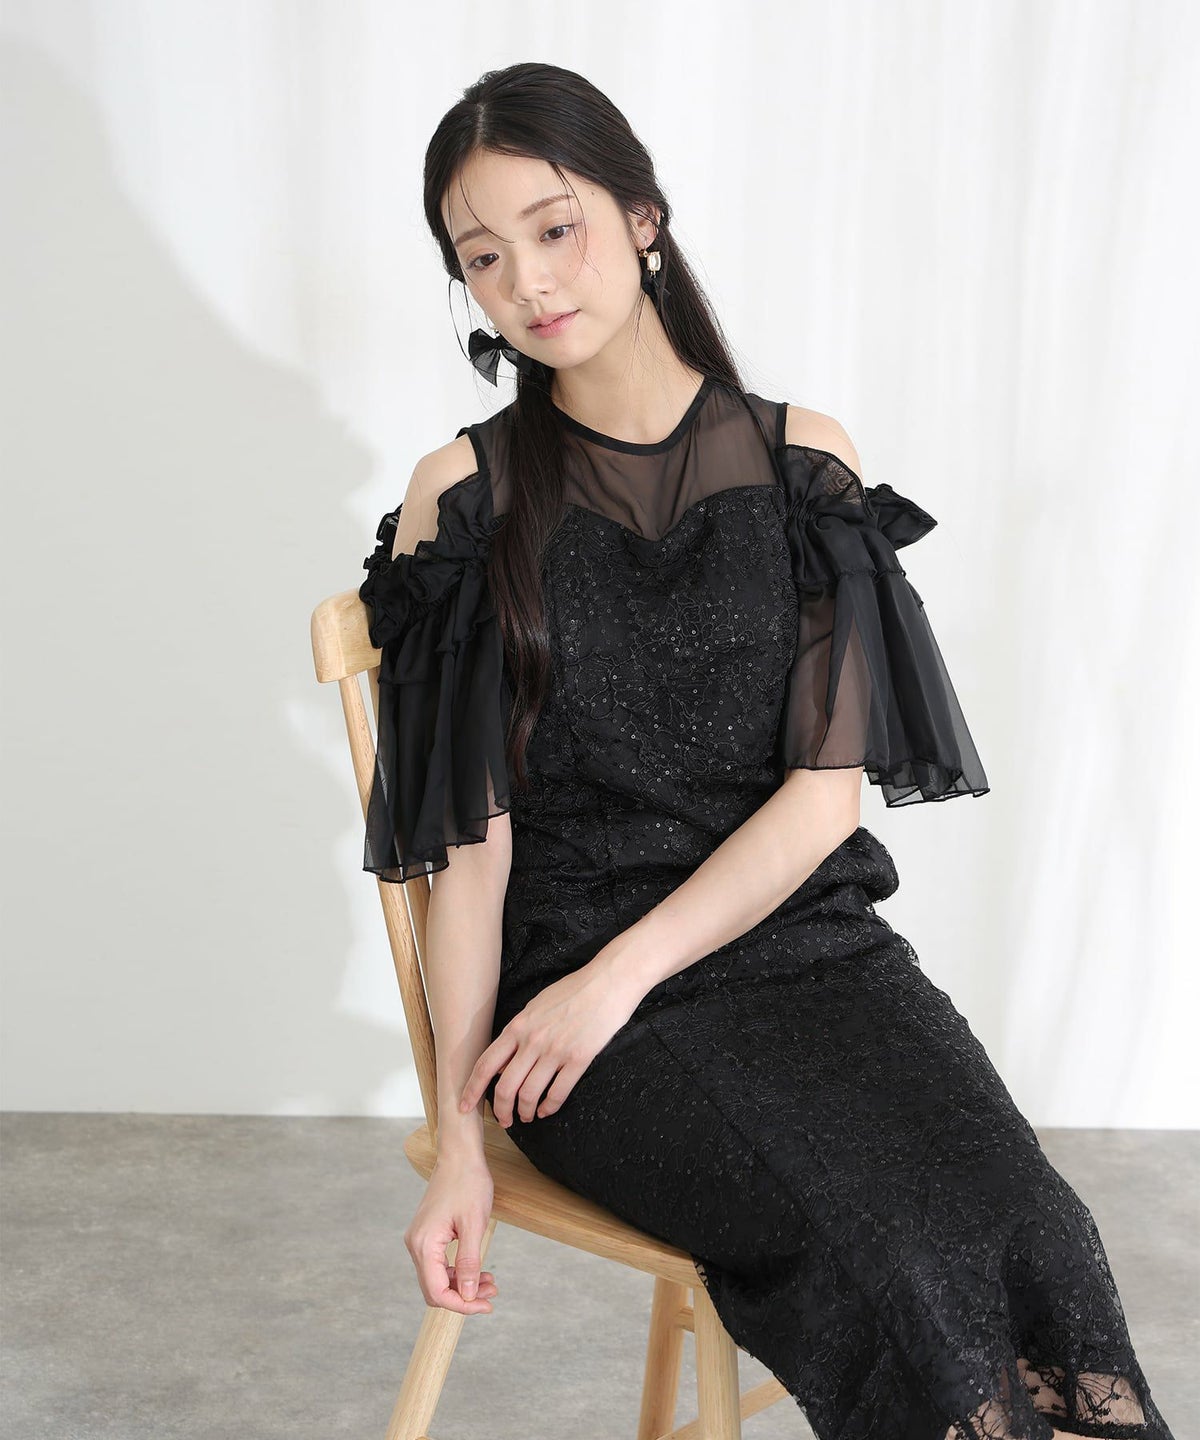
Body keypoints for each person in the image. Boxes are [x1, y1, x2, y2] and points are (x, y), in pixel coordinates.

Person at [356, 61, 1177, 1440]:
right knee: (894, 1258)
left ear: (643, 219)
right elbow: (470, 862)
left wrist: (624, 972)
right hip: (582, 1030)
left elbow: (821, 801)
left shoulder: (803, 466)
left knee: (1037, 1226)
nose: (528, 283)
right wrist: (458, 1138)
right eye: (482, 258)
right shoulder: (467, 497)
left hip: (808, 955)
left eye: (555, 228)